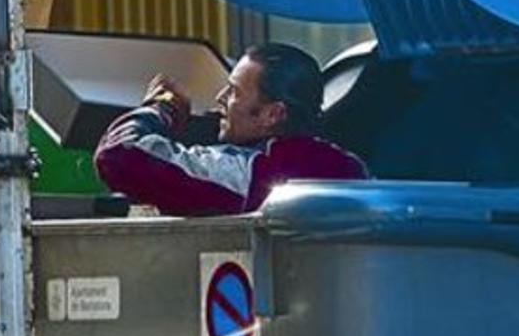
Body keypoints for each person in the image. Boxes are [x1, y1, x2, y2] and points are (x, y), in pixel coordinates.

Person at [94, 43, 367, 215]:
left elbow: (120, 154)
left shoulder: (250, 171)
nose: (220, 98)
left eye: (234, 91)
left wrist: (161, 109)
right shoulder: (347, 167)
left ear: (273, 114)